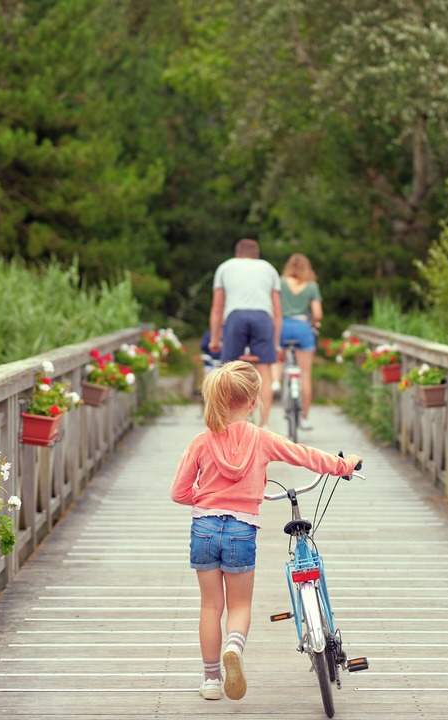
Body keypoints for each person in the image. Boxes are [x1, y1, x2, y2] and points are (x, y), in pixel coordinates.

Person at [170, 361, 362, 701]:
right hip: (241, 530)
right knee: (240, 605)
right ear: (254, 399)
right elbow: (304, 456)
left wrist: (208, 498)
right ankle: (234, 647)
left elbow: (179, 492)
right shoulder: (262, 439)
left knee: (210, 606)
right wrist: (343, 464)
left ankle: (212, 681)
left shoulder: (201, 442)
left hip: (204, 528)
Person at [209, 238, 281, 426]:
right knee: (264, 370)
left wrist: (215, 339)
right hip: (262, 318)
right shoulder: (269, 268)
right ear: (257, 256)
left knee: (228, 371)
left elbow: (217, 308)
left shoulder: (225, 267)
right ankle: (264, 424)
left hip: (236, 317)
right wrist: (276, 343)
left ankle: (229, 422)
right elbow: (277, 311)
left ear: (237, 254)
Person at [271, 253, 324, 429]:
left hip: (282, 326)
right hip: (302, 327)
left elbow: (273, 306)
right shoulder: (311, 286)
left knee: (278, 358)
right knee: (305, 373)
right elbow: (317, 314)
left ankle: (276, 381)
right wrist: (313, 323)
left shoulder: (280, 282)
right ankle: (305, 418)